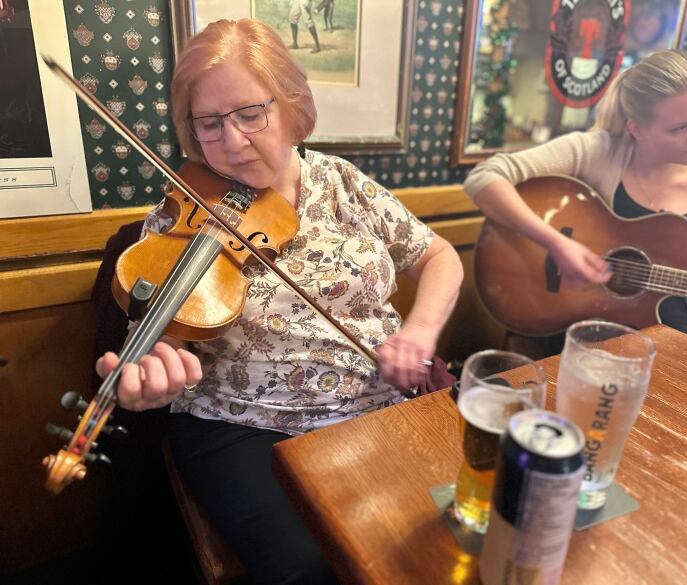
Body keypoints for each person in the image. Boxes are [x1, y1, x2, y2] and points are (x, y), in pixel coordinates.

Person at [96, 18, 463, 585]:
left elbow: (440, 256)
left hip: (383, 407)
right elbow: (164, 329)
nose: (233, 142)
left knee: (454, 528)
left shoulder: (342, 183)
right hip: (248, 430)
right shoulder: (177, 216)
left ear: (292, 106)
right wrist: (149, 371)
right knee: (313, 569)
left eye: (250, 114)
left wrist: (419, 333)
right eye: (210, 124)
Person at [464, 49, 687, 349]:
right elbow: (485, 177)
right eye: (681, 127)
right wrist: (555, 243)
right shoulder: (596, 152)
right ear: (636, 128)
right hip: (580, 324)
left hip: (673, 339)